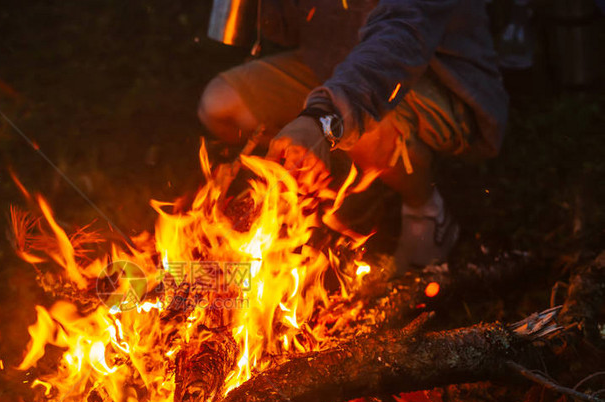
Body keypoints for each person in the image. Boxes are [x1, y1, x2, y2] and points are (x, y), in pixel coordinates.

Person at [198, 0, 509, 272]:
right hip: (335, 68)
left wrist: (321, 120)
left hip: (429, 76)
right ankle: (329, 187)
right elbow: (286, 30)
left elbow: (399, 38)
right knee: (220, 105)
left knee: (359, 125)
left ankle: (426, 211)